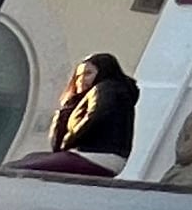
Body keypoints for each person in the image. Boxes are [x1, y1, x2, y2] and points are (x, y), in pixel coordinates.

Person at [8, 51, 137, 175]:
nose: (81, 80)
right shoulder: (88, 98)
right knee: (31, 157)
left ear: (103, 73)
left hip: (98, 155)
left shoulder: (106, 88)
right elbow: (57, 147)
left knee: (16, 169)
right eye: (78, 76)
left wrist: (68, 140)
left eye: (88, 73)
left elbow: (95, 117)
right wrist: (68, 108)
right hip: (94, 155)